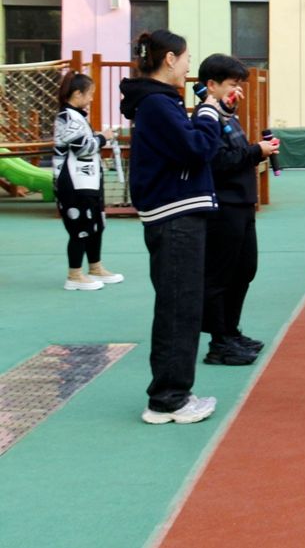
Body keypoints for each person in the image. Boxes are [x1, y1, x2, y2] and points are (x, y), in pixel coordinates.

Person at [120, 30, 223, 425]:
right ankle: (168, 399)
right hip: (175, 216)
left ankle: (172, 393)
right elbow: (197, 149)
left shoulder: (157, 103)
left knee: (179, 305)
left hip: (174, 214)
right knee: (180, 307)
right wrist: (209, 113)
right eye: (186, 58)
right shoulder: (157, 104)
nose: (188, 66)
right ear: (169, 59)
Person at [192, 54, 278, 366]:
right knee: (220, 274)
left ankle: (230, 330)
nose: (237, 90)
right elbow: (217, 161)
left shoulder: (225, 114)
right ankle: (219, 342)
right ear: (211, 85)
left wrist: (256, 149)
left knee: (244, 270)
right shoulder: (206, 117)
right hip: (223, 206)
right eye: (232, 84)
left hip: (240, 203)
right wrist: (257, 151)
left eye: (239, 84)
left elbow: (234, 152)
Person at [53, 72, 123, 291]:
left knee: (96, 225)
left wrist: (99, 137)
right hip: (73, 182)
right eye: (90, 94)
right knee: (80, 228)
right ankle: (74, 275)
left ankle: (95, 267)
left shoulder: (77, 116)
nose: (92, 99)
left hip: (88, 181)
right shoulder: (67, 117)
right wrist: (103, 137)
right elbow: (82, 147)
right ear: (77, 94)